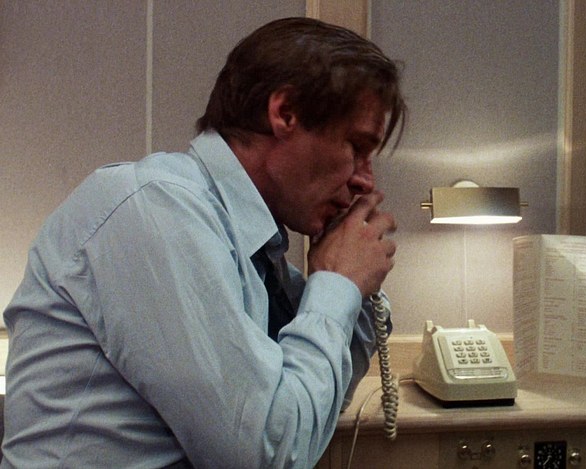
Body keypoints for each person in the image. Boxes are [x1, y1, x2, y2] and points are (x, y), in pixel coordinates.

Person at [1, 17, 405, 468]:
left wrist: (356, 291)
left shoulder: (249, 243)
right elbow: (264, 456)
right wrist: (337, 283)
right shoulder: (156, 208)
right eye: (356, 147)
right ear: (286, 113)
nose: (366, 181)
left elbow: (311, 414)